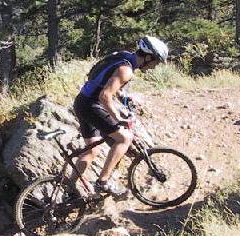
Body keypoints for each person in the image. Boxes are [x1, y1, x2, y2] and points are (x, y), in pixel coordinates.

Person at [71, 36, 169, 196]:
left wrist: (122, 96)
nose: (154, 67)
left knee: (92, 150)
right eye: (155, 62)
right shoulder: (126, 70)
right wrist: (118, 118)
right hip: (91, 105)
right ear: (148, 57)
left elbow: (106, 80)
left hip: (82, 101)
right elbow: (105, 96)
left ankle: (70, 186)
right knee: (124, 138)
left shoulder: (124, 56)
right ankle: (103, 182)